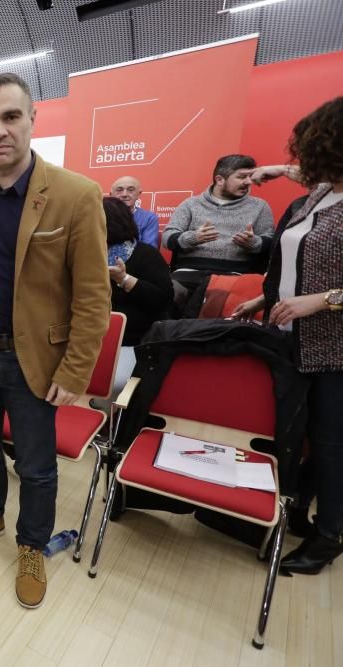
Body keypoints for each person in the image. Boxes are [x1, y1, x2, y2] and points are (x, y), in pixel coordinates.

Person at [0, 73, 110, 609]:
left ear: (33, 118)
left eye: (10, 117)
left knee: (38, 466)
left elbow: (93, 298)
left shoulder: (76, 194)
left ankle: (32, 543)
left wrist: (75, 372)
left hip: (33, 360)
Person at [233, 97, 343, 575]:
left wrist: (320, 300)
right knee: (298, 433)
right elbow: (296, 255)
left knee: (330, 441)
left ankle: (330, 533)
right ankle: (297, 508)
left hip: (333, 343)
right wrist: (268, 297)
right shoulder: (323, 192)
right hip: (291, 332)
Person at [162, 154, 274, 293]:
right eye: (241, 177)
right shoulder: (191, 204)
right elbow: (167, 239)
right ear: (220, 180)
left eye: (250, 176)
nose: (248, 182)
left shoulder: (260, 206)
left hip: (234, 276)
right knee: (167, 295)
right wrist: (193, 238)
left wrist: (254, 242)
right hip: (189, 273)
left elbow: (270, 241)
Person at [101, 196, 174, 396]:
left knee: (113, 386)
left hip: (131, 342)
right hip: (87, 339)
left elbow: (163, 299)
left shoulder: (145, 254)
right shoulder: (81, 254)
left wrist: (124, 279)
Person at [110, 176, 159, 247]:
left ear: (139, 194)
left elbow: (149, 250)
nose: (124, 194)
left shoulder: (148, 218)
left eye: (130, 190)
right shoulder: (102, 216)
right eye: (119, 190)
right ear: (111, 194)